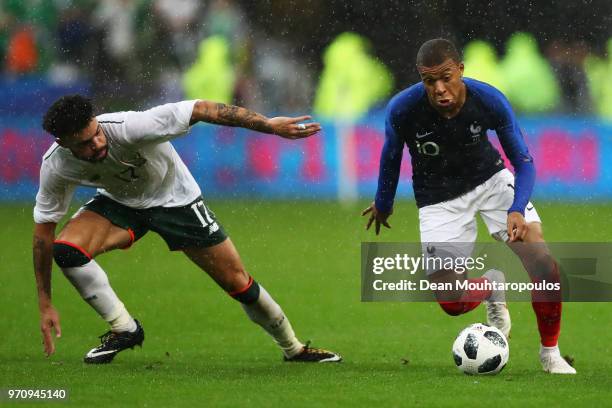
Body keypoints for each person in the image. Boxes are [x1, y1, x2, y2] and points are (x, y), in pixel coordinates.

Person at [34, 95, 342, 364]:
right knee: (66, 250)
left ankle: (294, 348)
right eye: (84, 144)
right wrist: (45, 302)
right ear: (62, 143)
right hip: (120, 204)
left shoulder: (130, 127)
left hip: (176, 200)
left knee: (238, 283)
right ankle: (124, 328)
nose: (97, 144)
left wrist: (269, 126)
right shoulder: (56, 165)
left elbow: (202, 109)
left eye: (96, 134)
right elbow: (42, 236)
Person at [362, 39, 575, 374]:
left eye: (446, 77)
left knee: (543, 264)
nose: (439, 88)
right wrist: (384, 203)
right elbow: (390, 158)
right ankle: (491, 285)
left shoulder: (488, 100)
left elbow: (524, 161)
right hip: (438, 199)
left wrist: (517, 208)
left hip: (491, 182)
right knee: (453, 302)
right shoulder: (403, 108)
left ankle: (550, 353)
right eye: (429, 81)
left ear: (460, 69)